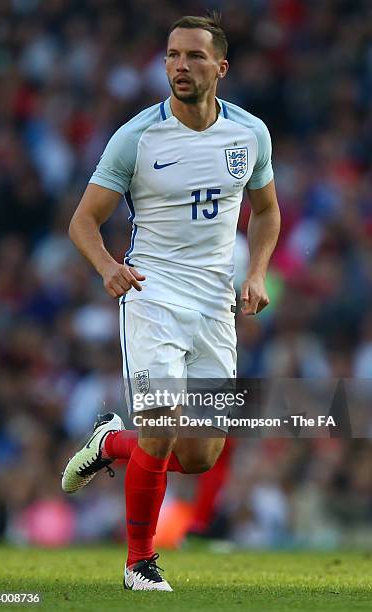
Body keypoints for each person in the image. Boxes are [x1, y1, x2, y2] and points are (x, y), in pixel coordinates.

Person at [61, 12, 280, 591]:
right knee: (160, 427)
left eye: (194, 56)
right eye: (172, 55)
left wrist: (256, 274)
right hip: (152, 294)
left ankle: (111, 442)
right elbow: (84, 221)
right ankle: (140, 563)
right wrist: (109, 267)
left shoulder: (249, 134)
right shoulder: (138, 136)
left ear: (221, 68)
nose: (180, 66)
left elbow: (267, 211)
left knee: (202, 455)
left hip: (214, 304)